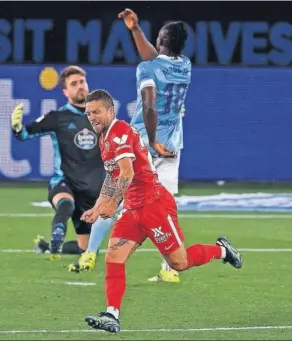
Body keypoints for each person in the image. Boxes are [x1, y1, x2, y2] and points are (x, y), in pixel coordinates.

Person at [81, 89, 243, 333]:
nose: (91, 117)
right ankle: (111, 315)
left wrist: (112, 204)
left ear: (110, 111)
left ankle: (223, 250)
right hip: (133, 210)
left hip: (154, 206)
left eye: (96, 112)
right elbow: (112, 177)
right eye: (88, 113)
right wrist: (97, 207)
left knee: (179, 263)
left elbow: (127, 173)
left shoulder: (120, 132)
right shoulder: (104, 138)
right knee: (113, 257)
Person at [10, 65, 114, 262]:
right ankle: (56, 237)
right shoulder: (57, 118)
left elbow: (128, 139)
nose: (80, 86)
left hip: (91, 192)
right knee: (65, 205)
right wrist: (16, 128)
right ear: (66, 92)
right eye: (74, 84)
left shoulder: (102, 117)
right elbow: (25, 134)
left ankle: (48, 248)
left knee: (86, 249)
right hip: (64, 182)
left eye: (82, 82)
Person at [118, 8, 190, 283]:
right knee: (167, 203)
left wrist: (151, 140)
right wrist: (135, 30)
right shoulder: (185, 65)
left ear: (161, 40)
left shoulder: (146, 69)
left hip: (145, 144)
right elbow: (154, 57)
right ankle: (170, 267)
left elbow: (149, 105)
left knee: (129, 200)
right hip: (172, 144)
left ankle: (114, 256)